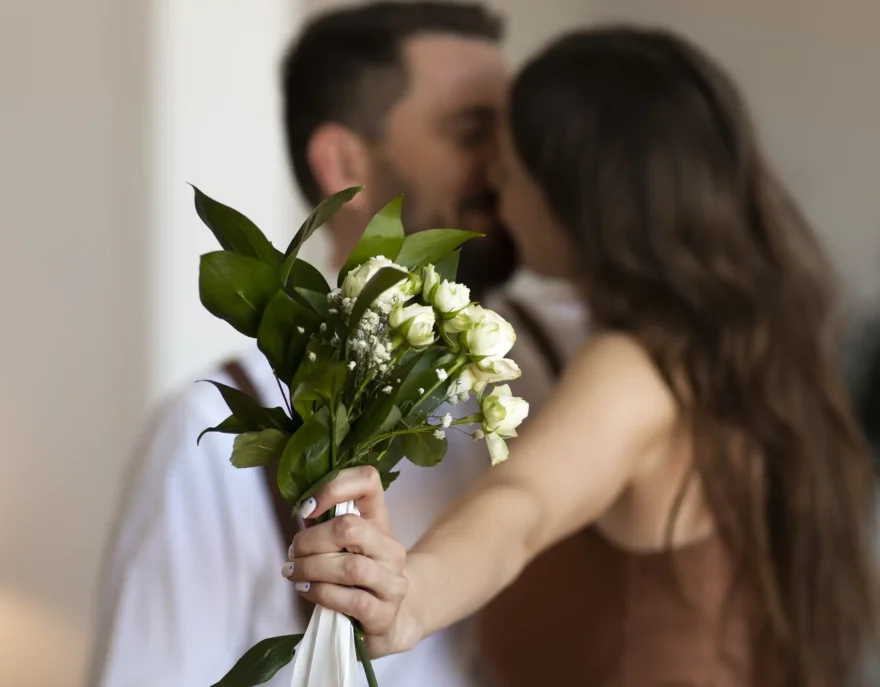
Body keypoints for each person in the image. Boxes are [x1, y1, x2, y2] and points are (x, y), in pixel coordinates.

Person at [287, 26, 880, 686]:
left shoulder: (633, 368)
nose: (497, 195)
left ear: (575, 195)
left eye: (508, 170)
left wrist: (410, 597)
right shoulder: (746, 344)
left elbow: (523, 506)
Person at [88, 4, 588, 686]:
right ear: (343, 161)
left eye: (513, 131)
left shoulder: (573, 363)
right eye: (473, 131)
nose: (508, 166)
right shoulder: (207, 440)